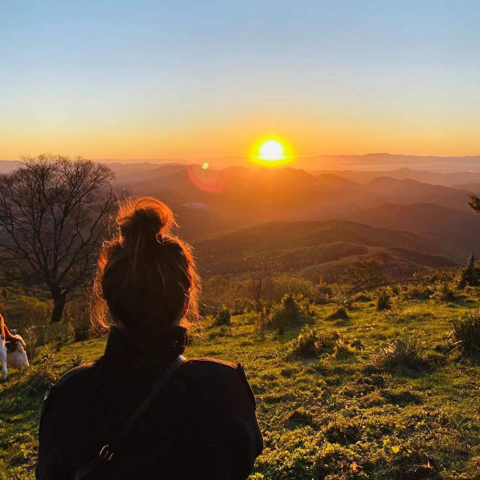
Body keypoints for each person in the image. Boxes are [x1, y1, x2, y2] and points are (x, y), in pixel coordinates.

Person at [36, 197, 263, 480]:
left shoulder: (69, 398)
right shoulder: (224, 389)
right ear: (184, 304)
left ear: (109, 302)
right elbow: (243, 462)